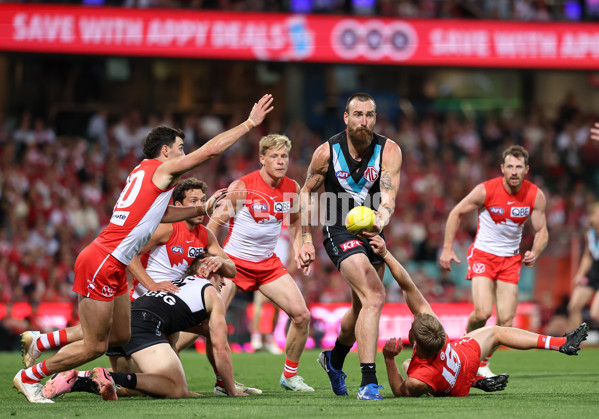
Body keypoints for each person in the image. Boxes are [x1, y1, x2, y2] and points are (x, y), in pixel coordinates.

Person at [13, 94, 274, 403]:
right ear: (165, 151)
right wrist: (249, 123)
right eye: (179, 149)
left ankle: (42, 342)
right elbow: (209, 153)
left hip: (116, 263)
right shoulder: (162, 170)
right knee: (96, 345)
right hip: (103, 259)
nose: (183, 154)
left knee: (120, 335)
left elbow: (159, 215)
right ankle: (30, 376)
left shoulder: (143, 172)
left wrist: (200, 208)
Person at [20, 178, 261, 396]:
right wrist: (151, 284)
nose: (200, 207)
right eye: (194, 201)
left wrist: (220, 260)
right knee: (100, 339)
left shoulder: (205, 236)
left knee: (143, 383)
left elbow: (232, 271)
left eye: (202, 200)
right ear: (178, 205)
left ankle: (55, 361)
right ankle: (47, 357)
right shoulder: (166, 228)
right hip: (143, 301)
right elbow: (130, 253)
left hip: (168, 306)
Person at [368, 234, 588, 398]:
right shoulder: (439, 335)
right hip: (463, 358)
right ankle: (560, 343)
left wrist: (388, 358)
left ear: (416, 342)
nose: (414, 320)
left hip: (455, 383)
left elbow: (400, 391)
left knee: (407, 364)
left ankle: (473, 381)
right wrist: (385, 254)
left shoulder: (420, 378)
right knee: (495, 332)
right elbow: (408, 286)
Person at [296, 92, 402, 400]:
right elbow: (305, 193)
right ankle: (368, 382)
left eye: (369, 115)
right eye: (358, 114)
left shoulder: (389, 151)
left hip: (372, 231)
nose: (364, 121)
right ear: (346, 118)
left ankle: (334, 359)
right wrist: (304, 238)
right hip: (338, 228)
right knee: (375, 295)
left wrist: (381, 217)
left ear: (375, 119)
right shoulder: (326, 153)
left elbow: (388, 194)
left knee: (361, 307)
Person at [42, 253, 247, 400]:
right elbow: (221, 347)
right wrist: (231, 390)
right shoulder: (211, 292)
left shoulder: (175, 283)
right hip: (144, 326)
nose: (225, 283)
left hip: (123, 323)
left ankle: (75, 379)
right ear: (207, 271)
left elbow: (178, 324)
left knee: (140, 387)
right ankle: (106, 376)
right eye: (222, 276)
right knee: (176, 389)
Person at [207, 134, 314, 392]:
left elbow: (297, 221)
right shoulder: (242, 187)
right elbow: (212, 226)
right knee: (209, 321)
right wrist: (213, 258)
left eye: (284, 156)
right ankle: (218, 380)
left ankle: (289, 376)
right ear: (262, 159)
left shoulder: (291, 188)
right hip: (233, 263)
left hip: (267, 264)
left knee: (301, 315)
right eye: (274, 156)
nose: (280, 161)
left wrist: (301, 247)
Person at [439, 145, 548, 378]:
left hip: (510, 260)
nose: (514, 171)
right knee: (482, 312)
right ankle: (463, 352)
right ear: (502, 168)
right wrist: (447, 248)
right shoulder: (485, 190)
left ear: (526, 169)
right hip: (483, 255)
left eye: (519, 167)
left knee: (506, 321)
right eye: (510, 166)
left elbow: (542, 230)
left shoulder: (535, 195)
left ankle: (480, 363)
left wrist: (536, 251)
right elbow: (456, 212)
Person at [568, 202, 599, 330]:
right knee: (574, 305)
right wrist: (580, 274)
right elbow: (588, 255)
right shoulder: (590, 234)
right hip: (594, 272)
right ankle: (576, 344)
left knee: (595, 314)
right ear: (591, 217)